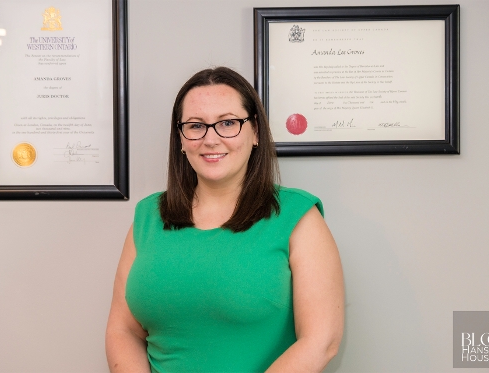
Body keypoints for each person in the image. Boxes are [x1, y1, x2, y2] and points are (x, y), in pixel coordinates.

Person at [105, 66, 344, 372]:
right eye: (195, 126)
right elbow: (122, 330)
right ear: (180, 138)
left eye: (228, 123)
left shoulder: (297, 216)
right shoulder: (149, 216)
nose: (211, 139)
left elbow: (321, 341)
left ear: (255, 131)